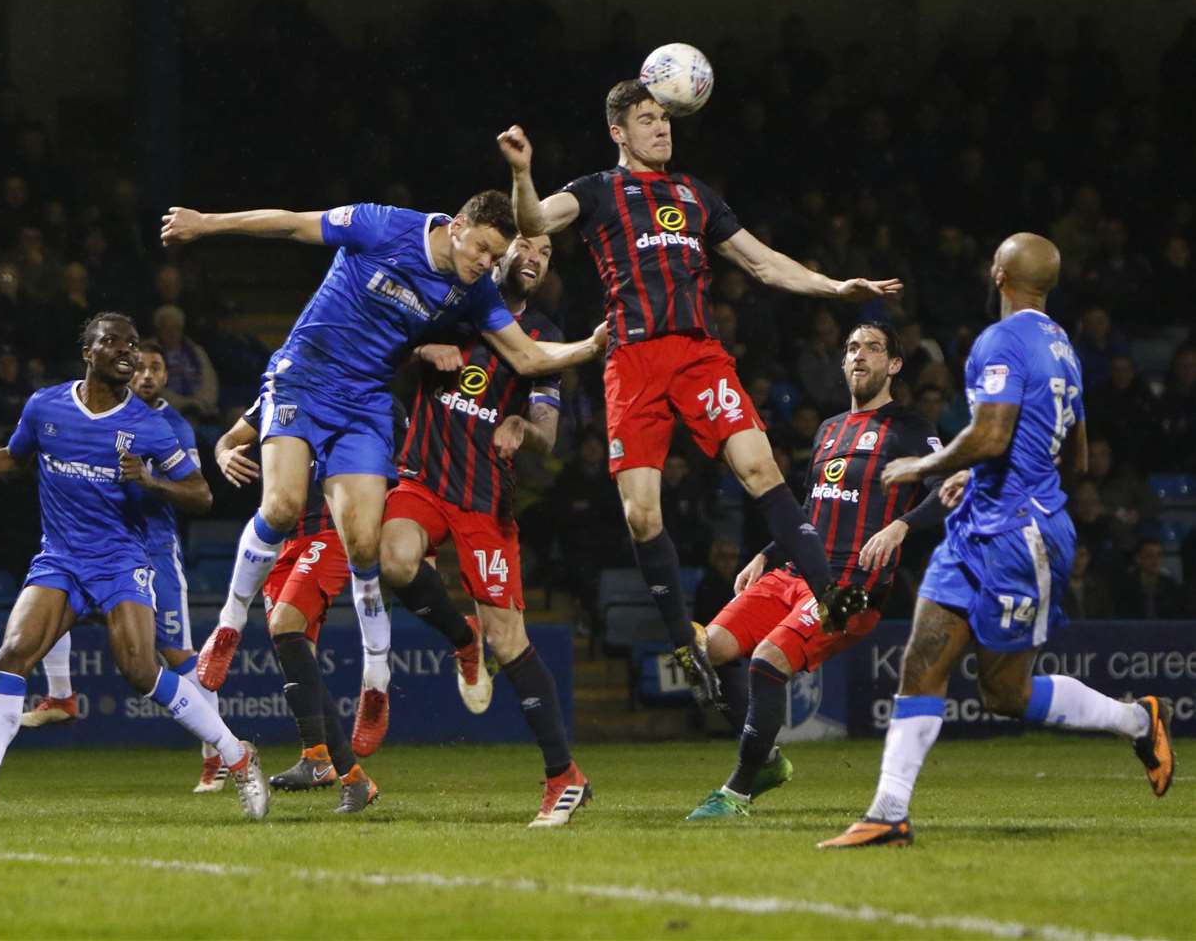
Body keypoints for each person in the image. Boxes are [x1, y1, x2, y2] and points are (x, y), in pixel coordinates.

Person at [165, 191, 605, 779]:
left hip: (369, 404)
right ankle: (227, 623)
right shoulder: (382, 226)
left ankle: (377, 685)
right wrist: (206, 220)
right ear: (456, 227)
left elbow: (526, 358)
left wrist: (592, 346)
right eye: (481, 249)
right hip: (308, 377)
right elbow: (295, 224)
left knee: (367, 546)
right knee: (283, 502)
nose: (484, 263)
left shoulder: (476, 294)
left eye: (494, 255)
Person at [498, 87, 900, 708]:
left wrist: (832, 287)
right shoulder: (597, 190)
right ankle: (680, 635)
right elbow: (532, 222)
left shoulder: (694, 195)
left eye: (665, 119)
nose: (662, 129)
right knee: (641, 514)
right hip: (632, 360)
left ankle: (830, 594)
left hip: (696, 353)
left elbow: (762, 263)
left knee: (760, 465)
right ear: (618, 132)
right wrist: (523, 172)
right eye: (647, 121)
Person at [820, 234, 1175, 850]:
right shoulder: (1063, 346)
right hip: (977, 525)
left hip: (1019, 535)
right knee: (921, 659)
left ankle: (1138, 720)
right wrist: (989, 474)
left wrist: (924, 468)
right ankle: (888, 812)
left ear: (999, 273)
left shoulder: (1002, 339)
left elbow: (989, 434)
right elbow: (1080, 455)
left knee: (1004, 693)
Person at [0, 313, 271, 822]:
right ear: (89, 352)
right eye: (114, 343)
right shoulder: (46, 406)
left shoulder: (149, 425)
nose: (126, 351)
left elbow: (200, 493)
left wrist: (150, 482)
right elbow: (14, 459)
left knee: (141, 669)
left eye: (131, 345)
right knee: (13, 652)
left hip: (121, 561)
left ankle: (237, 754)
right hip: (59, 559)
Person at [685, 322, 950, 821]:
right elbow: (810, 509)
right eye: (852, 348)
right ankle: (763, 759)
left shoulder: (911, 430)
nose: (859, 357)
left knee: (766, 663)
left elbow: (948, 492)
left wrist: (901, 527)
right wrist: (767, 552)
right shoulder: (829, 429)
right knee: (705, 650)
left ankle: (737, 792)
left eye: (873, 349)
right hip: (793, 572)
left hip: (850, 588)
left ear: (894, 365)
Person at [379, 233, 591, 827]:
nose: (535, 258)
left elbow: (549, 431)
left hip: (483, 501)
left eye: (547, 254)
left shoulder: (543, 338)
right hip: (422, 480)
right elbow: (383, 356)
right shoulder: (445, 303)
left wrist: (524, 424)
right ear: (498, 250)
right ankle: (460, 638)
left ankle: (563, 775)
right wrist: (422, 353)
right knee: (392, 559)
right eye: (527, 244)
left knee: (511, 640)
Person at [21, 341, 226, 795]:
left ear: (166, 377)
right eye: (142, 368)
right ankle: (61, 694)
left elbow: (197, 494)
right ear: (127, 373)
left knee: (174, 653)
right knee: (52, 602)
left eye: (157, 367)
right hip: (101, 545)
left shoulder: (168, 425)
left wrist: (150, 482)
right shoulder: (96, 414)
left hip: (154, 548)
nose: (148, 375)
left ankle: (216, 755)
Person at [209, 398, 379, 813]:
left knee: (286, 626)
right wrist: (226, 453)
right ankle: (329, 763)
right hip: (284, 542)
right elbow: (228, 438)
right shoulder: (275, 396)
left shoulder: (351, 391)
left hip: (331, 534)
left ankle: (337, 768)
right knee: (297, 655)